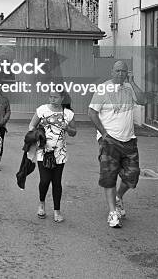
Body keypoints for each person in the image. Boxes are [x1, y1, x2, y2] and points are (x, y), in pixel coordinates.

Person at [88, 60, 147, 229]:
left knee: (132, 176)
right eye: (118, 71)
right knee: (109, 176)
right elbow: (92, 113)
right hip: (110, 141)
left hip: (129, 139)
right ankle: (113, 212)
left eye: (124, 71)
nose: (121, 74)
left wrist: (133, 83)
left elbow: (143, 101)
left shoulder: (129, 87)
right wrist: (104, 134)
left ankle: (118, 197)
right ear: (112, 71)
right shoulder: (103, 89)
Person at [28, 89, 76, 223]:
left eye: (55, 97)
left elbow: (74, 132)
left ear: (62, 98)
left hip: (59, 153)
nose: (52, 99)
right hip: (43, 151)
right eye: (50, 97)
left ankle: (57, 211)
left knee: (57, 182)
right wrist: (37, 132)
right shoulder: (42, 110)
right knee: (44, 180)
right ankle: (41, 203)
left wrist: (67, 128)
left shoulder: (68, 113)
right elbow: (31, 125)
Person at [0, 89, 11, 171]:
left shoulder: (5, 100)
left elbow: (8, 111)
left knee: (0, 143)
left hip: (1, 125)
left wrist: (4, 120)